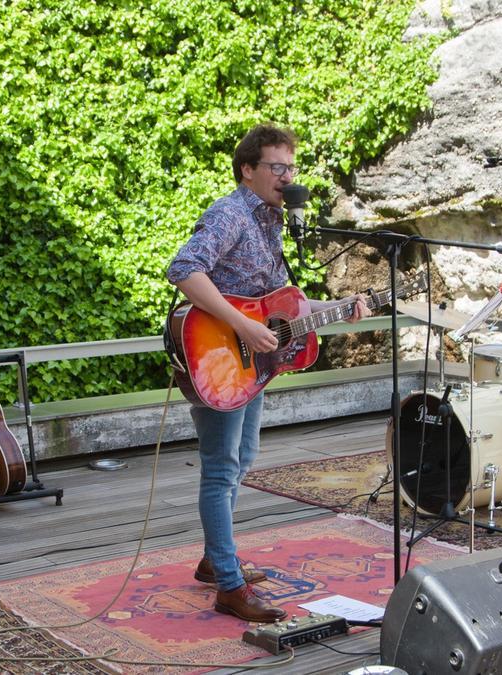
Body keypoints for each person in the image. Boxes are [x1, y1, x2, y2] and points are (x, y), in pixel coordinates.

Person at [166, 124, 369, 622]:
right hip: (216, 355)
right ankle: (230, 587)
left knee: (244, 457)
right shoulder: (230, 214)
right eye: (277, 168)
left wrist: (341, 306)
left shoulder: (270, 221)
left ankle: (217, 560)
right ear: (248, 171)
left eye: (291, 168)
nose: (286, 178)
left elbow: (285, 304)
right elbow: (184, 269)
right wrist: (241, 325)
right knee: (220, 468)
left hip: (253, 364)